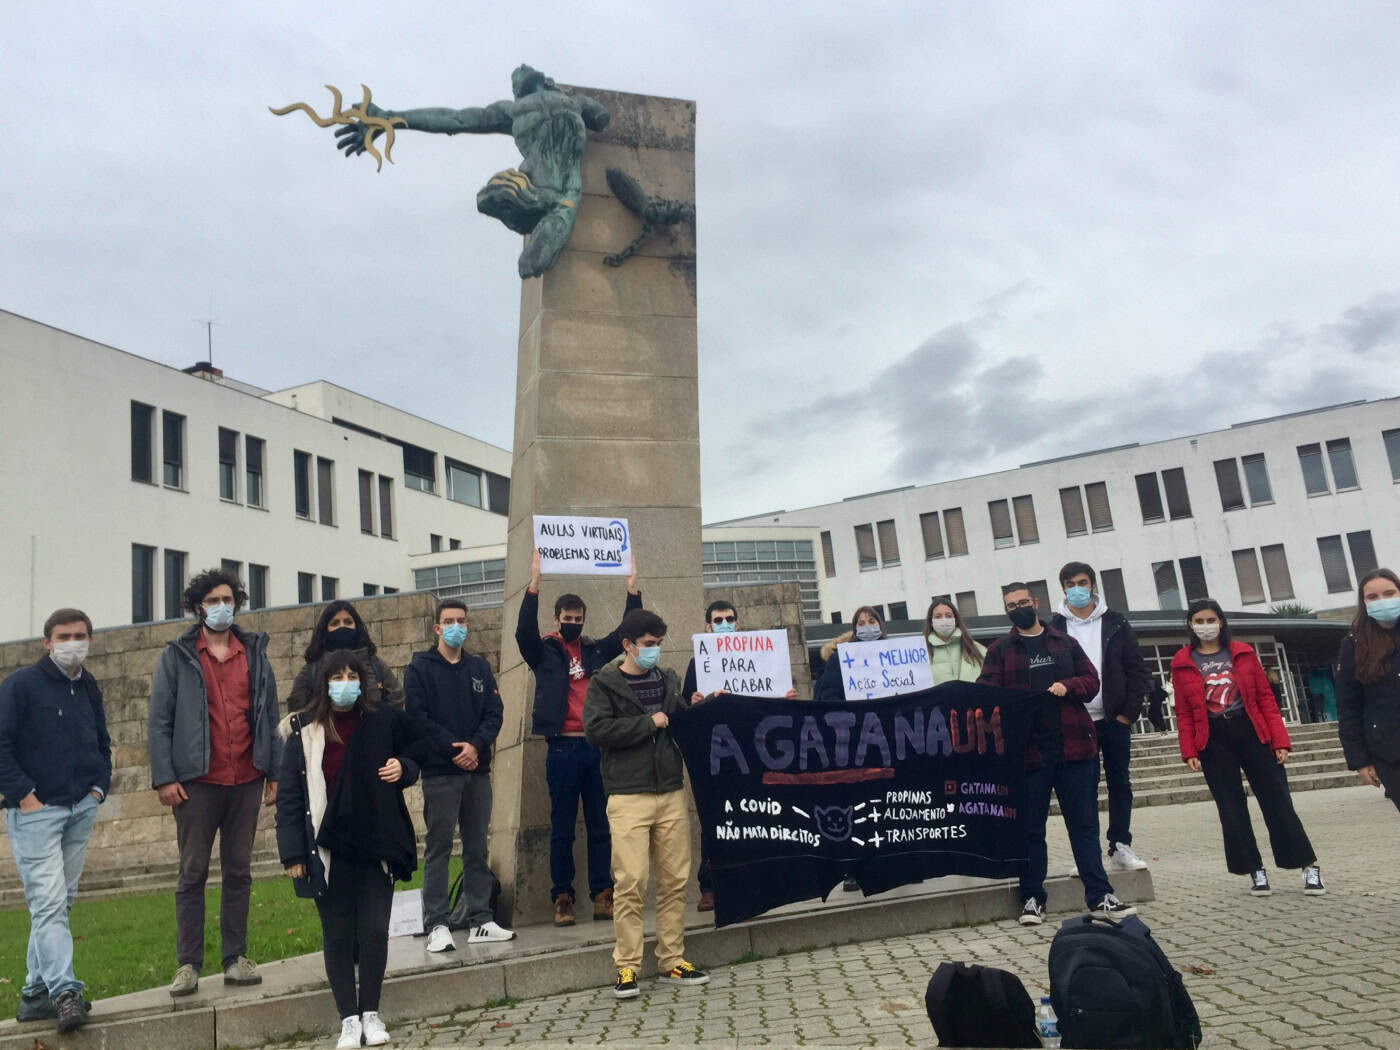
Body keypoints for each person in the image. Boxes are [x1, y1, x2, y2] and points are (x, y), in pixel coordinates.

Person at [277, 651, 430, 1048]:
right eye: (337, 676)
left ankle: (372, 1013)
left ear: (363, 682)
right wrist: (293, 854)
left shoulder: (381, 721)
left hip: (375, 842)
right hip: (326, 849)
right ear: (323, 684)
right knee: (339, 934)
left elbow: (418, 750)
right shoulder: (304, 733)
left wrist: (405, 769)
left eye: (351, 675)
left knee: (375, 930)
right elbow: (291, 799)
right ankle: (348, 1018)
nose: (345, 682)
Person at [148, 568, 280, 997]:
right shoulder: (177, 656)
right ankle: (187, 964)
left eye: (228, 599)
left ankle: (235, 958)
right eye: (212, 600)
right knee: (192, 872)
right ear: (198, 607)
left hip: (246, 777)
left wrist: (274, 771)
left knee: (239, 871)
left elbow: (270, 716)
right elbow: (159, 721)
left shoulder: (254, 652)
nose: (222, 606)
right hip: (197, 782)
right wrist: (164, 777)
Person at [977, 582, 1135, 925]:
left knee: (1084, 826)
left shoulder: (1065, 642)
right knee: (1031, 829)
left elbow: (1092, 681)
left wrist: (1070, 686)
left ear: (1035, 602)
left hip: (1075, 748)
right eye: (1010, 605)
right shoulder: (1000, 650)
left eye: (1022, 602)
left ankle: (1100, 895)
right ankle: (1032, 898)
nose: (1017, 608)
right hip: (1027, 755)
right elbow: (985, 696)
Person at [583, 609, 709, 999]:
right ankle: (627, 966)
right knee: (631, 882)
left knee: (674, 882)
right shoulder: (604, 684)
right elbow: (596, 730)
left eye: (658, 644)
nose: (654, 651)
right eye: (648, 645)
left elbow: (681, 722)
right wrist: (646, 724)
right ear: (628, 645)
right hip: (627, 795)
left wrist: (701, 706)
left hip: (670, 791)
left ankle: (672, 960)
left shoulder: (667, 680)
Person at [0, 609, 109, 1033]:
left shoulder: (88, 687)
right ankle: (65, 993)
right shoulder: (20, 686)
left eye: (80, 635)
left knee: (58, 903)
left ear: (90, 641)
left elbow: (101, 739)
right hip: (35, 814)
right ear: (47, 641)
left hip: (80, 806)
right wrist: (24, 796)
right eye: (64, 635)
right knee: (47, 904)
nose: (72, 642)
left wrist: (100, 786)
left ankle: (33, 995)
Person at [517, 548, 639, 927]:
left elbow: (625, 633)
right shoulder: (544, 651)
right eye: (567, 618)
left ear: (584, 620)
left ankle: (603, 894)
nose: (572, 623)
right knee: (562, 827)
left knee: (602, 825)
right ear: (556, 619)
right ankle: (563, 898)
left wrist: (632, 591)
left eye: (578, 619)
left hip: (596, 747)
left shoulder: (594, 650)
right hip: (562, 747)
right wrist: (534, 583)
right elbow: (523, 632)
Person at [1170, 599, 1324, 897]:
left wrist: (1280, 740)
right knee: (1230, 807)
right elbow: (1184, 711)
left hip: (1252, 730)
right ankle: (1255, 870)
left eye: (1210, 619)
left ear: (1222, 621)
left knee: (1277, 800)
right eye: (1198, 621)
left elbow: (1266, 697)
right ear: (1190, 625)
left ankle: (1307, 865)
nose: (1205, 626)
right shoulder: (1181, 661)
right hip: (1213, 738)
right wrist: (1188, 749)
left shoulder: (1242, 652)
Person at [405, 599, 511, 950]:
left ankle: (481, 917)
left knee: (477, 847)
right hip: (440, 774)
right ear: (437, 628)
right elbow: (418, 718)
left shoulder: (479, 668)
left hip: (477, 772)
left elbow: (495, 713)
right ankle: (436, 923)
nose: (456, 626)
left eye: (461, 621)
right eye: (448, 621)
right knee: (438, 848)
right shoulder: (420, 668)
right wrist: (456, 750)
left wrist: (476, 747)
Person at [681, 599, 799, 912]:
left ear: (738, 622)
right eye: (717, 620)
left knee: (759, 816)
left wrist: (785, 699)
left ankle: (758, 882)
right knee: (713, 820)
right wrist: (694, 702)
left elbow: (770, 702)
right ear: (707, 627)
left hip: (755, 751)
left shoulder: (762, 657)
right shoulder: (697, 664)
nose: (724, 624)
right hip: (717, 756)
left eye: (729, 618)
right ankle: (710, 886)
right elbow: (685, 714)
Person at [1050, 562, 1151, 874]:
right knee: (1083, 790)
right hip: (1078, 723)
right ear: (1063, 588)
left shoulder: (1116, 622)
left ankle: (1120, 846)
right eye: (1070, 584)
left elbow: (1136, 670)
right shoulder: (1053, 628)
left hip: (1114, 719)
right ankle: (1088, 856)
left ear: (1093, 584)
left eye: (1082, 582)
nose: (1077, 589)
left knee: (1120, 783)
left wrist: (1127, 714)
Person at [1334, 568, 1400, 811]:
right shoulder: (1354, 645)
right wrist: (1359, 760)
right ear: (1364, 603)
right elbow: (1348, 707)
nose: (1382, 601)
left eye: (1389, 593)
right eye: (1373, 597)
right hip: (1389, 751)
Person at [287, 600, 404, 712]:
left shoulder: (375, 665)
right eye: (335, 623)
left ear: (356, 626)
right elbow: (297, 706)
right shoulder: (312, 670)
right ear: (325, 629)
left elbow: (396, 697)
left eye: (348, 622)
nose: (342, 627)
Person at [814, 606, 885, 701]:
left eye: (871, 622)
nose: (867, 627)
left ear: (879, 625)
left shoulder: (895, 656)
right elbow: (829, 696)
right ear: (855, 629)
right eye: (861, 624)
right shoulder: (839, 659)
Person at [923, 596, 985, 685]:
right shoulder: (922, 653)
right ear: (931, 622)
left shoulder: (978, 649)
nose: (943, 620)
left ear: (955, 620)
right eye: (938, 616)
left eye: (948, 616)